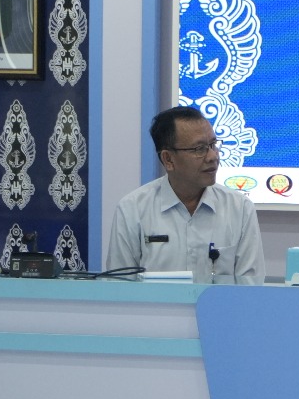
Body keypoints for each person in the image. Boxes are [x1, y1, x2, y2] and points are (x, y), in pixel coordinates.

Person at [106, 106, 265, 283]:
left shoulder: (240, 209)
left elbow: (250, 288)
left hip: (221, 303)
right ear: (168, 159)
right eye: (199, 149)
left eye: (213, 145)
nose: (212, 156)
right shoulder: (132, 210)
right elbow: (119, 287)